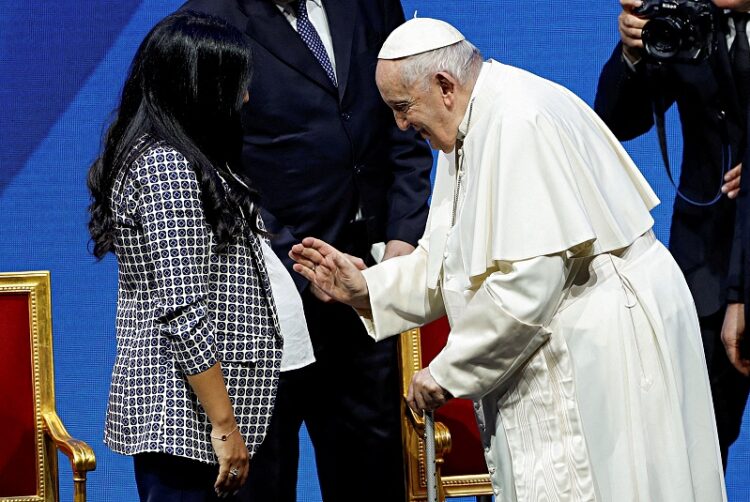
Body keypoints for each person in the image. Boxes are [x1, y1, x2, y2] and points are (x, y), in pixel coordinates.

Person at [291, 17, 727, 502]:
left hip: (608, 332)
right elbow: (447, 259)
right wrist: (368, 288)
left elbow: (527, 286)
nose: (400, 125)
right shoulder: (470, 124)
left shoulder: (518, 120)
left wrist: (446, 371)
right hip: (571, 323)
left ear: (444, 86)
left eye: (402, 107)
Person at [174, 1, 433, 500]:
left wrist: (402, 239)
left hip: (365, 282)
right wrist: (303, 264)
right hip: (262, 293)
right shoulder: (209, 18)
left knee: (374, 473)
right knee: (265, 479)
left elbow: (402, 122)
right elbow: (210, 162)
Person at [87, 12, 292, 500]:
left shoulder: (177, 154)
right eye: (234, 84)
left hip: (199, 417)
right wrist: (224, 427)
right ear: (198, 88)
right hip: (187, 420)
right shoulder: (165, 165)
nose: (244, 97)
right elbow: (183, 306)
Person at [595, 0, 750, 466]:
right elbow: (618, 120)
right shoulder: (686, 18)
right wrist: (634, 52)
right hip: (707, 261)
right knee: (698, 440)